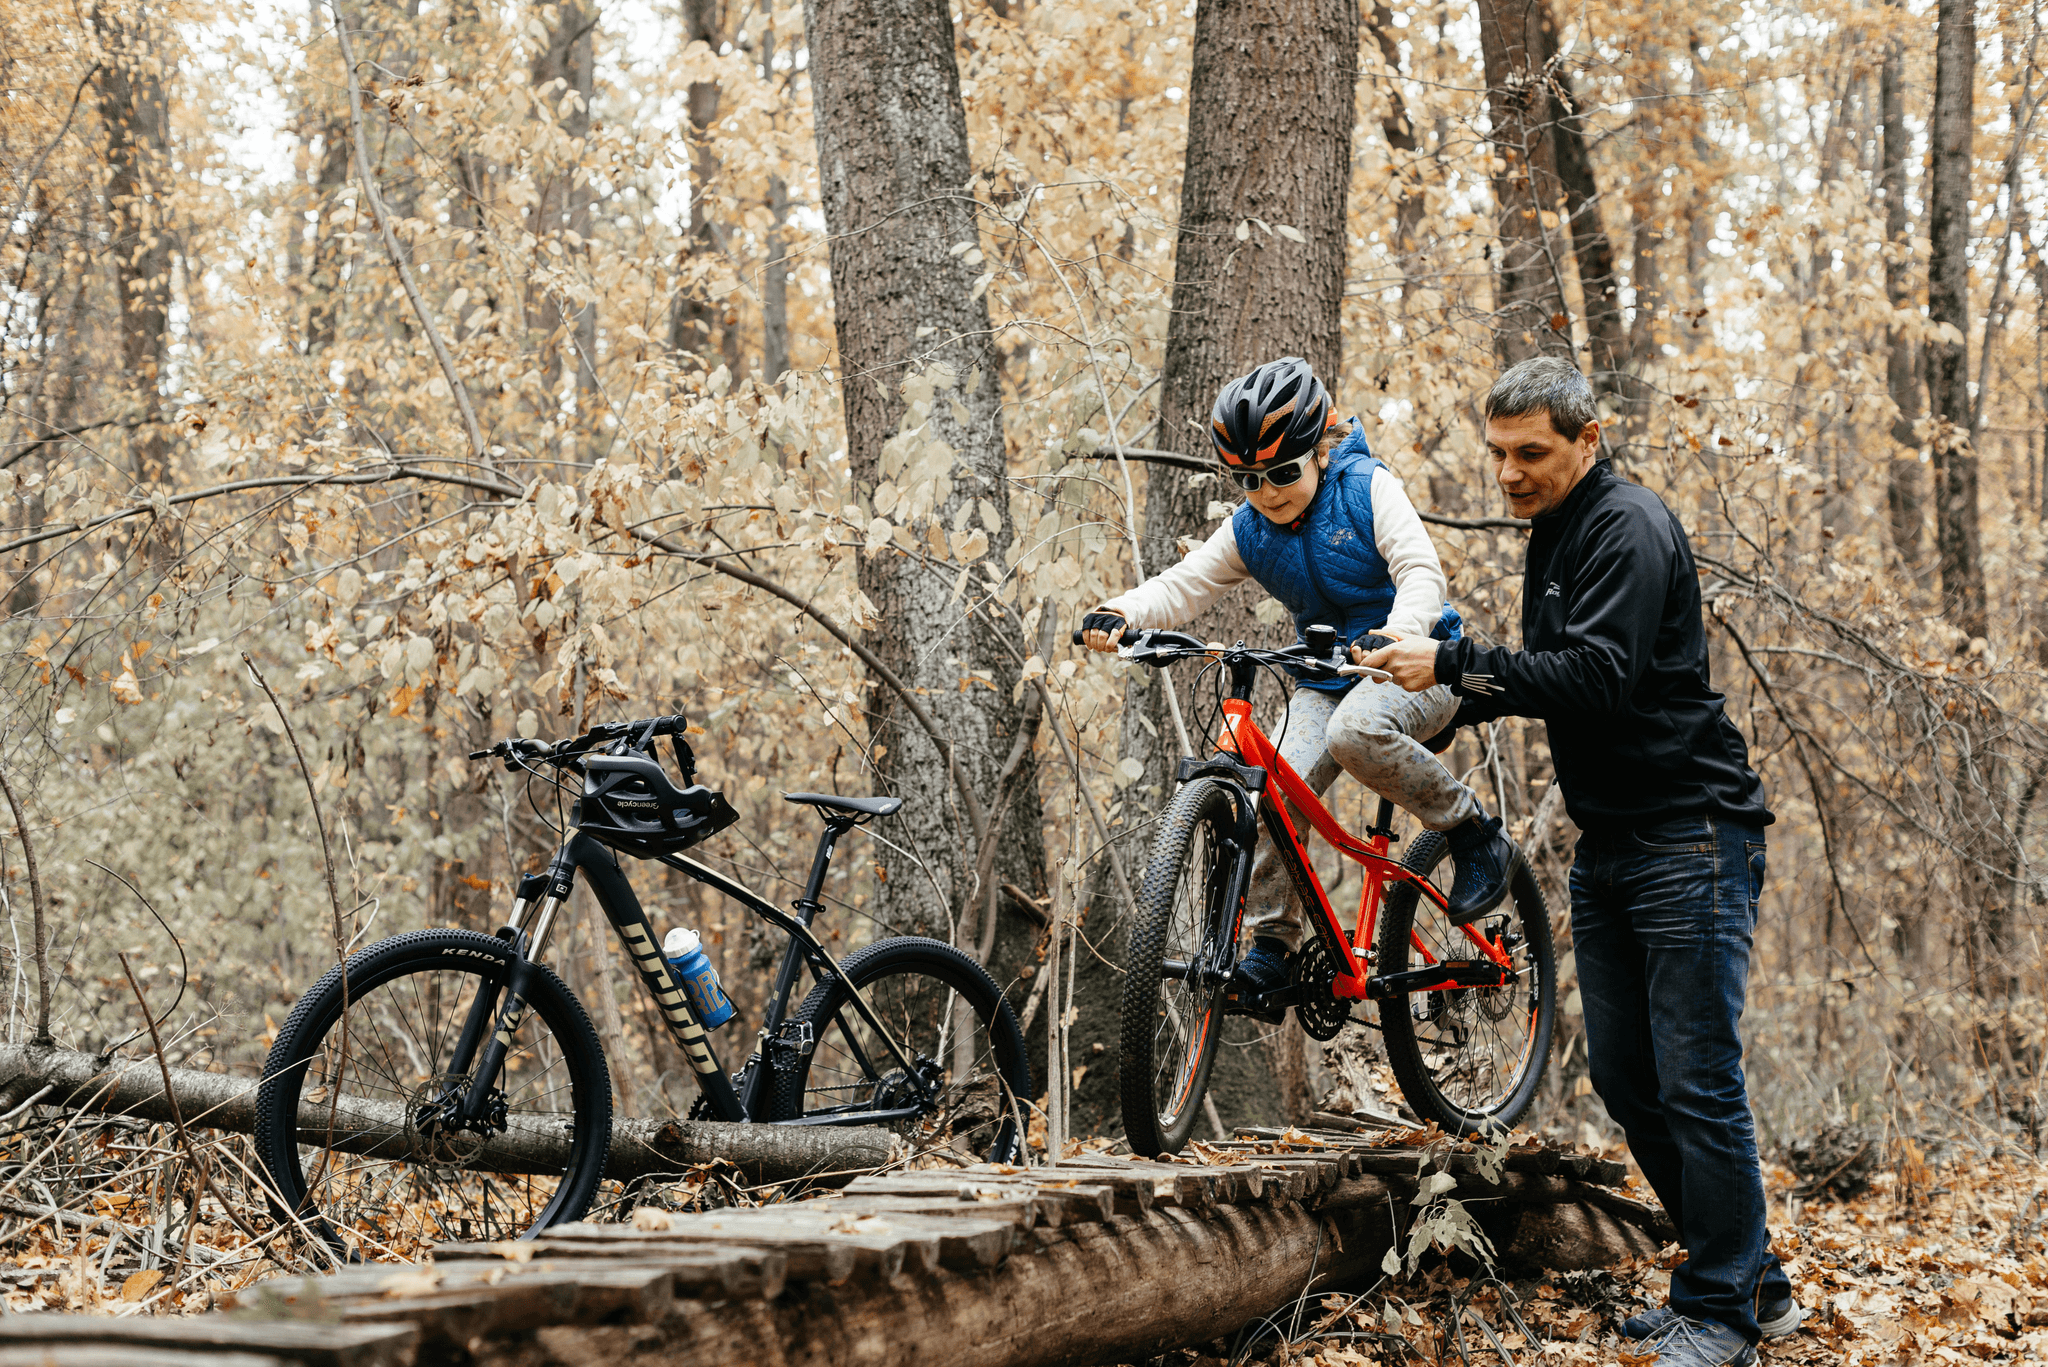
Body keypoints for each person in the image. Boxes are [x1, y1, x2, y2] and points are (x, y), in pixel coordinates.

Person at [1363, 357, 1794, 1367]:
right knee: (1625, 1076)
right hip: (1613, 848)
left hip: (1690, 836)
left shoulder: (1625, 525)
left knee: (1694, 1078)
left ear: (1585, 439)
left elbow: (1597, 677)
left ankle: (1723, 1310)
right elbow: (1548, 677)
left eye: (1531, 452)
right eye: (1498, 454)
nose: (1509, 473)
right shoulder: (1557, 530)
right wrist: (1411, 692)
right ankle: (1750, 1279)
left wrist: (1463, 665)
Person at [1080, 356, 1523, 995]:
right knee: (1270, 789)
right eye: (1249, 479)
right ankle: (1272, 943)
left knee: (1354, 732)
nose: (1268, 492)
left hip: (1420, 664)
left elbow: (1420, 572)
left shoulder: (1366, 486)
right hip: (1328, 674)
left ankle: (1473, 832)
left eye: (1283, 472)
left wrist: (1398, 636)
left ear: (1319, 450)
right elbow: (1184, 585)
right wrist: (1120, 611)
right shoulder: (1251, 529)